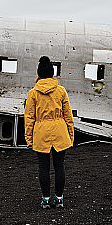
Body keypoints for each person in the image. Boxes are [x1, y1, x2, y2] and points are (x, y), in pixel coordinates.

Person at [24, 56, 74, 209]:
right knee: (59, 167)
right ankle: (59, 198)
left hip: (41, 133)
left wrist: (29, 138)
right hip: (60, 132)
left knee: (43, 168)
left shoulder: (33, 93)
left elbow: (29, 118)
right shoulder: (61, 91)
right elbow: (68, 116)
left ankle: (46, 199)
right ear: (53, 74)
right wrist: (70, 135)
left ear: (39, 74)